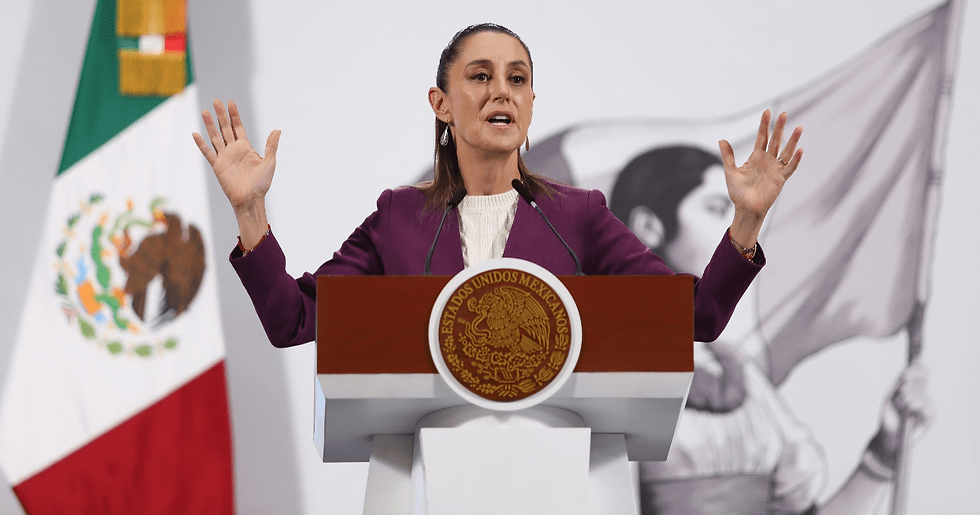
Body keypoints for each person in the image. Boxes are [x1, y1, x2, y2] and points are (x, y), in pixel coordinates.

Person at [191, 22, 800, 348]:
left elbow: (692, 315)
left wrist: (745, 222)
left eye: (517, 78)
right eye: (480, 77)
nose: (501, 91)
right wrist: (249, 211)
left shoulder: (579, 216)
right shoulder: (398, 218)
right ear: (442, 104)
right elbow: (294, 321)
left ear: (532, 103)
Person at [609, 145, 932, 515]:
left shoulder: (740, 373)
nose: (738, 228)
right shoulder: (601, 362)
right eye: (717, 209)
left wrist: (884, 453)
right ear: (649, 226)